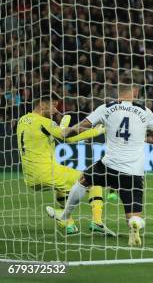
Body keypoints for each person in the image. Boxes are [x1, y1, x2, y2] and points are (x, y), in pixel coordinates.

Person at [46, 82, 153, 246]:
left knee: (84, 181)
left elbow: (83, 126)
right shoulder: (145, 111)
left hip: (109, 165)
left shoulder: (107, 107)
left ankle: (65, 214)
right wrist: (143, 139)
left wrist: (68, 131)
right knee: (134, 216)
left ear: (118, 92)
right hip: (133, 172)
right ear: (135, 92)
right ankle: (135, 225)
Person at [18, 89, 109, 235]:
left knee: (61, 186)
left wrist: (61, 127)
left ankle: (69, 224)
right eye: (53, 106)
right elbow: (68, 137)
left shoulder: (22, 120)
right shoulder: (44, 122)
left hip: (30, 177)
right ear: (42, 105)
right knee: (93, 180)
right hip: (45, 172)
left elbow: (50, 135)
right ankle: (96, 221)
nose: (55, 110)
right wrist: (98, 130)